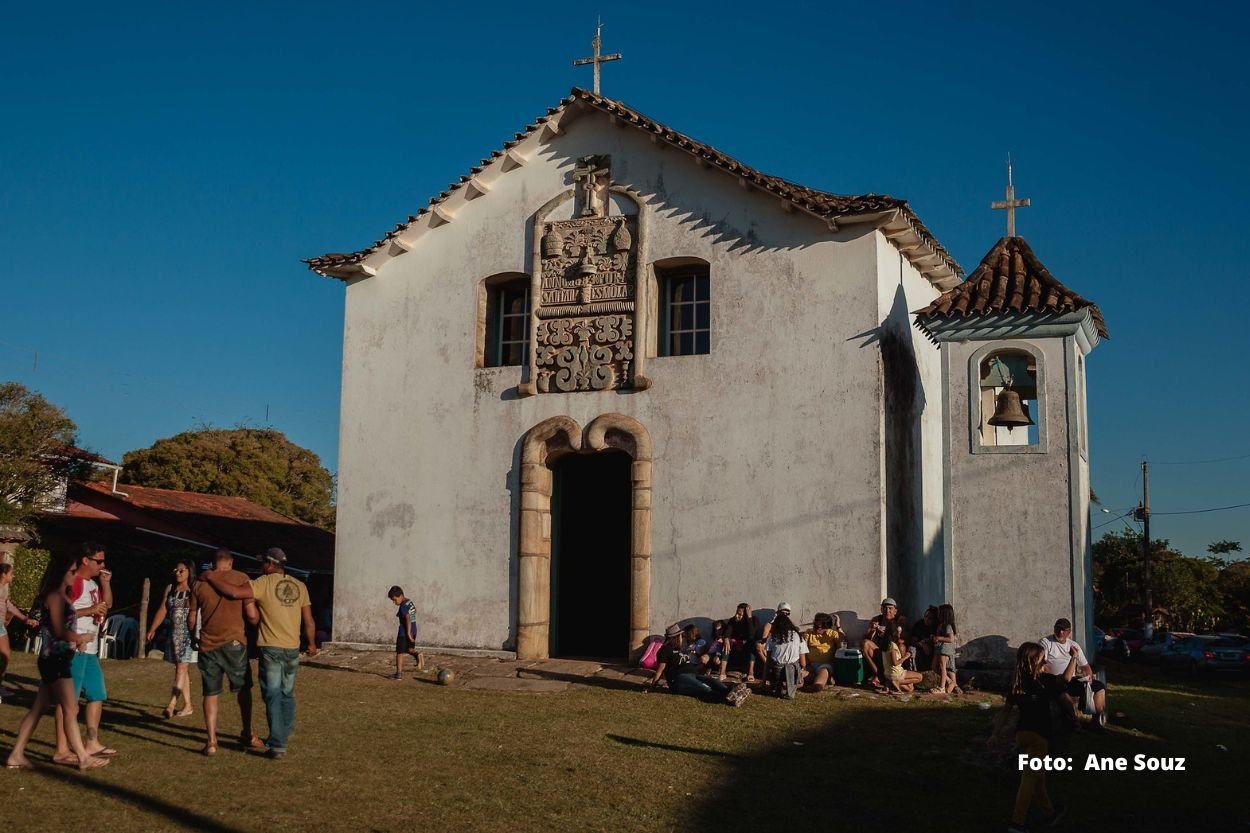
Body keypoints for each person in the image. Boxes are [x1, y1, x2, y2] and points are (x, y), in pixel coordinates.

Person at [202, 546, 316, 759]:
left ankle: (278, 744)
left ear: (271, 564)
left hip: (271, 647)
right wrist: (311, 643)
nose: (261, 566)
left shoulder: (263, 583)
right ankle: (285, 730)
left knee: (272, 694)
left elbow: (234, 592)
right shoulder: (300, 586)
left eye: (263, 562)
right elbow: (308, 620)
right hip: (292, 648)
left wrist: (210, 576)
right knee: (287, 693)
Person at [5, 552, 109, 771]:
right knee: (71, 709)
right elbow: (59, 629)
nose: (75, 574)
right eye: (72, 571)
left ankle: (16, 754)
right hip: (55, 659)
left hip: (56, 657)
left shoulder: (62, 596)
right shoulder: (54, 596)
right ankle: (83, 757)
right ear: (62, 573)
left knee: (38, 708)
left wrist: (75, 641)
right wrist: (79, 638)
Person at [989, 642, 1074, 832]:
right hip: (1039, 737)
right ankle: (1017, 823)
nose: (1046, 660)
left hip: (1022, 735)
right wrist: (1074, 657)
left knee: (1037, 777)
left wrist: (995, 734)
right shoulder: (1045, 681)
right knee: (1029, 778)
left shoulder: (1017, 684)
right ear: (1035, 661)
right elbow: (1066, 679)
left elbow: (1005, 712)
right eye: (1043, 657)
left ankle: (1049, 813)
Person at [189, 548, 262, 756]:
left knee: (210, 692)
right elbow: (251, 614)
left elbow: (192, 616)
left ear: (214, 564)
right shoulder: (241, 578)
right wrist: (257, 624)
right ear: (230, 562)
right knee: (243, 688)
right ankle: (248, 732)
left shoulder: (199, 584)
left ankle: (211, 741)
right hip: (235, 642)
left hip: (208, 643)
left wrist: (193, 636)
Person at [52, 542, 115, 764]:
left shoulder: (93, 585)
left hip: (90, 649)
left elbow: (107, 604)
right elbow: (60, 612)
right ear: (85, 560)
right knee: (68, 702)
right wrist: (89, 610)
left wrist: (105, 585)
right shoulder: (74, 583)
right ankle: (61, 748)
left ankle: (92, 741)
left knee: (97, 694)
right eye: (99, 561)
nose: (102, 565)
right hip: (74, 648)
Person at [646, 623, 750, 706]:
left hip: (692, 674)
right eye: (681, 636)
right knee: (704, 689)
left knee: (712, 681)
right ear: (676, 638)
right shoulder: (664, 650)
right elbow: (660, 670)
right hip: (678, 679)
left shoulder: (679, 649)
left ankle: (733, 691)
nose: (683, 638)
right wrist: (652, 687)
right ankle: (730, 698)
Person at [146, 559, 197, 718]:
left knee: (181, 669)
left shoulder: (194, 589)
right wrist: (153, 628)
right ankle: (188, 705)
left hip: (187, 634)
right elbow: (163, 609)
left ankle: (172, 704)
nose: (178, 573)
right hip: (173, 633)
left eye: (182, 570)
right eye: (176, 570)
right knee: (181, 668)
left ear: (189, 571)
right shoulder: (171, 589)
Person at [1040, 617, 1107, 729]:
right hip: (1054, 680)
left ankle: (1096, 722)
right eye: (1058, 629)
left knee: (1099, 687)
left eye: (1063, 630)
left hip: (1071, 679)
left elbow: (1085, 665)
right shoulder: (1046, 642)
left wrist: (1089, 677)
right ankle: (1074, 722)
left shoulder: (1073, 645)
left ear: (1069, 632)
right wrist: (1053, 676)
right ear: (1054, 629)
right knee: (1062, 693)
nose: (1060, 632)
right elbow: (1042, 665)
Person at [0, 562, 38, 700]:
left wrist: (25, 619)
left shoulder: (5, 587)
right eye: (11, 573)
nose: (13, 576)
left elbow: (8, 604)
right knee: (3, 656)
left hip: (1, 625)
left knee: (5, 655)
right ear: (4, 574)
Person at [763, 605, 807, 699]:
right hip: (793, 671)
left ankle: (778, 686)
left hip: (776, 671)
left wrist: (764, 681)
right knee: (798, 669)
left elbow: (768, 661)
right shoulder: (798, 636)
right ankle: (790, 685)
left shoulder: (773, 637)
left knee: (776, 668)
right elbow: (803, 663)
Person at [861, 597, 900, 686]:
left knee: (901, 646)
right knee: (865, 643)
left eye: (890, 608)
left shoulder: (899, 620)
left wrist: (889, 635)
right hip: (879, 650)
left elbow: (904, 638)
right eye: (885, 608)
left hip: (892, 651)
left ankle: (891, 676)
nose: (887, 611)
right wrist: (872, 630)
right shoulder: (876, 619)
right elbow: (866, 637)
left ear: (895, 611)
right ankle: (878, 674)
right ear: (881, 609)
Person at [802, 612, 843, 690]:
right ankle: (823, 679)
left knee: (824, 671)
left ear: (826, 627)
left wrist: (838, 626)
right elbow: (803, 649)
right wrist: (804, 665)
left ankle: (817, 685)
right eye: (814, 625)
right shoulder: (809, 633)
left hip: (825, 664)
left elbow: (843, 642)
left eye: (818, 627)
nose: (815, 628)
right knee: (801, 673)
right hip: (810, 664)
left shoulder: (832, 634)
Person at [388, 585, 422, 678]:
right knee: (409, 649)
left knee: (399, 652)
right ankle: (417, 654)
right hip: (414, 630)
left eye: (395, 600)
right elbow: (414, 611)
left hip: (404, 632)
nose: (394, 602)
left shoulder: (403, 606)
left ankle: (398, 674)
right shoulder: (409, 602)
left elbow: (407, 618)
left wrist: (407, 633)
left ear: (401, 595)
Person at [726, 602, 764, 682]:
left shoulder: (754, 620)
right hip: (736, 644)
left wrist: (749, 618)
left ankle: (751, 671)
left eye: (739, 614)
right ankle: (722, 671)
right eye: (736, 613)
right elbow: (728, 633)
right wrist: (726, 639)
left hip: (748, 644)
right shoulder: (733, 620)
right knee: (726, 643)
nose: (737, 616)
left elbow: (752, 634)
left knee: (752, 642)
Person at [882, 623, 922, 693]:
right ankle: (897, 682)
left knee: (910, 689)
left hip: (887, 673)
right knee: (920, 677)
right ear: (894, 633)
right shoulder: (892, 646)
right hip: (896, 673)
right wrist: (905, 657)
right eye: (898, 632)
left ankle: (890, 684)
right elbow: (895, 663)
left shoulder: (884, 644)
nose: (900, 634)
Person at [932, 603, 961, 695]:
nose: (938, 615)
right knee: (935, 667)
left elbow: (951, 638)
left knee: (942, 667)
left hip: (945, 649)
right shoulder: (941, 625)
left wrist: (938, 638)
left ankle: (941, 688)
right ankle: (950, 682)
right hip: (940, 648)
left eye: (940, 613)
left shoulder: (948, 626)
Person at [909, 605, 938, 672]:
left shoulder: (937, 627)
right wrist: (921, 644)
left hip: (932, 651)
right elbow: (912, 640)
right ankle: (914, 672)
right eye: (925, 616)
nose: (927, 619)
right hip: (919, 648)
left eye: (930, 618)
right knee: (912, 650)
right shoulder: (919, 624)